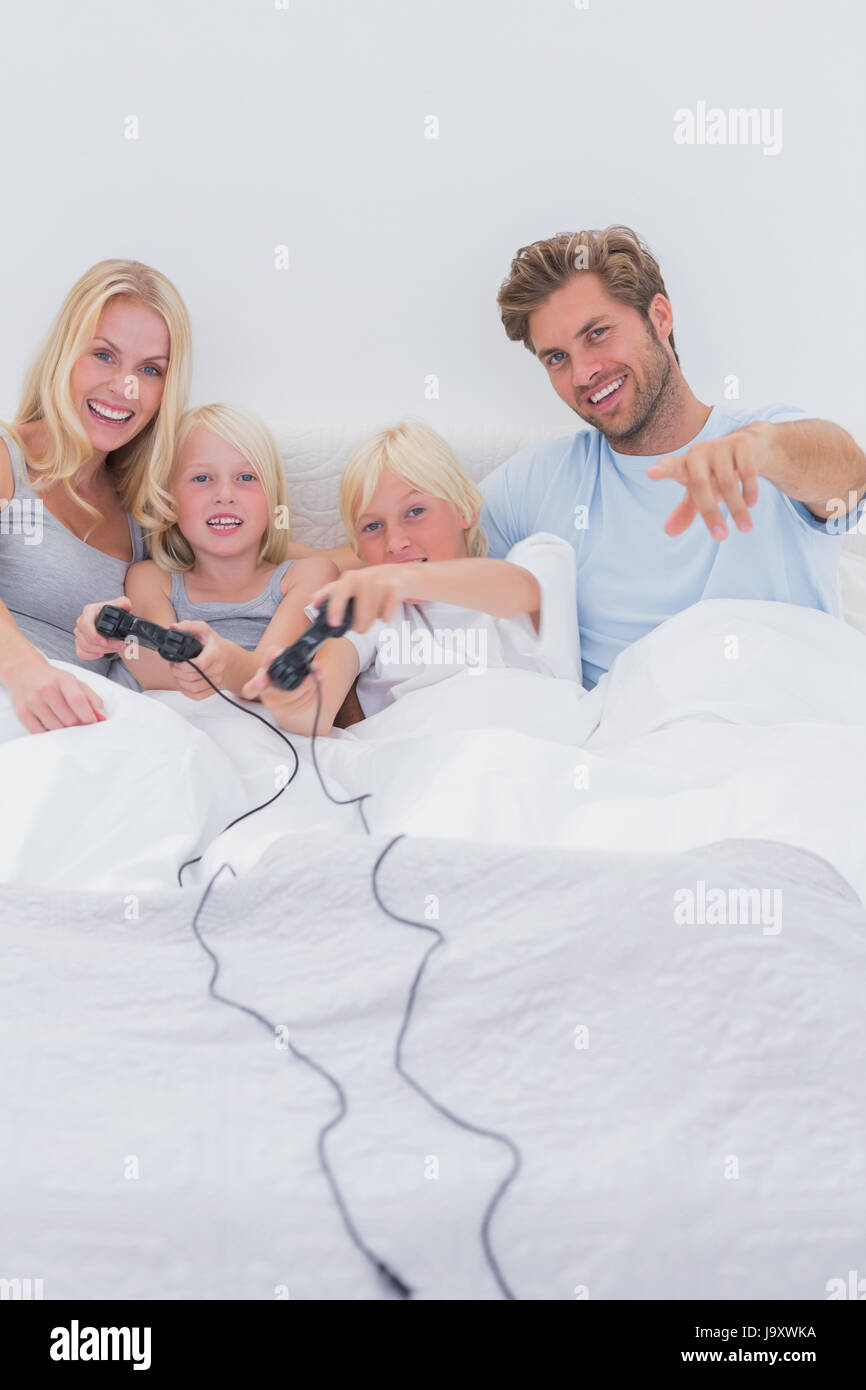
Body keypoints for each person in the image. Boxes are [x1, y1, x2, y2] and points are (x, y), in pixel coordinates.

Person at [478, 224, 866, 688]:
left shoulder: (771, 444)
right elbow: (411, 554)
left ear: (659, 316)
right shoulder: (539, 480)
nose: (583, 372)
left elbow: (850, 476)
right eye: (557, 358)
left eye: (598, 333)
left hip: (776, 732)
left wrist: (760, 449)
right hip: (624, 743)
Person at [241, 421, 582, 733]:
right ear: (358, 550)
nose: (395, 542)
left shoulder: (539, 560)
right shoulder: (368, 616)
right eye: (373, 527)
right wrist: (288, 704)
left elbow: (516, 590)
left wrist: (401, 578)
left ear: (465, 509)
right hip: (421, 769)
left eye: (415, 511)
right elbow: (313, 714)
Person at [0, 259, 192, 732]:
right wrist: (23, 669)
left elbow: (265, 554)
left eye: (149, 369)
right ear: (66, 352)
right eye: (104, 355)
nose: (125, 387)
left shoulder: (143, 513)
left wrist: (383, 563)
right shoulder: (8, 459)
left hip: (81, 734)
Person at [74, 404, 337, 699]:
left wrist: (225, 661)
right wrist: (117, 633)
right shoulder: (150, 579)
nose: (225, 495)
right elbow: (161, 678)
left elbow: (269, 679)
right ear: (171, 504)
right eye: (202, 479)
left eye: (246, 478)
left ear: (273, 501)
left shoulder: (309, 575)